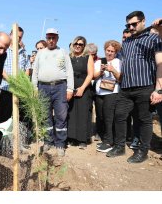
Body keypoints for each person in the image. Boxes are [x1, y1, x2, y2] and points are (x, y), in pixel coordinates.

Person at [106, 11, 162, 163]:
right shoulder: (127, 42)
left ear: (143, 21)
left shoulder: (154, 38)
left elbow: (160, 65)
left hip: (145, 87)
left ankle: (142, 152)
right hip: (126, 88)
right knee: (119, 116)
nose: (130, 27)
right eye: (128, 25)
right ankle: (119, 147)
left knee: (144, 120)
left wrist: (159, 89)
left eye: (134, 24)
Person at [32, 28, 74, 157]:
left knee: (61, 116)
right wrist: (34, 88)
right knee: (45, 116)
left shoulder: (63, 52)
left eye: (53, 38)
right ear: (46, 38)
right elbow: (35, 71)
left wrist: (70, 89)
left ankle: (60, 143)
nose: (51, 40)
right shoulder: (40, 53)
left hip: (60, 87)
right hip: (43, 87)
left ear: (57, 38)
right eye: (49, 38)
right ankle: (48, 141)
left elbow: (69, 71)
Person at [0, 26, 30, 147]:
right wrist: (12, 81)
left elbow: (27, 68)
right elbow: (0, 68)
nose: (18, 39)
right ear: (10, 34)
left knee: (17, 117)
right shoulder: (5, 50)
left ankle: (13, 142)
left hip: (18, 90)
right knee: (3, 116)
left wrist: (22, 81)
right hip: (5, 88)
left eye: (20, 37)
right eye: (16, 36)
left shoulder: (23, 52)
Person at [93, 40, 121, 153]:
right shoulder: (99, 61)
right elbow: (93, 76)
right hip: (99, 93)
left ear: (116, 52)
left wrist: (112, 70)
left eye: (112, 51)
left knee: (109, 117)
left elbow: (120, 78)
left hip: (112, 93)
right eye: (108, 50)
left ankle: (110, 141)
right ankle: (106, 139)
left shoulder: (118, 62)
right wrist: (100, 71)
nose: (109, 53)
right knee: (101, 116)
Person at [67, 36, 94, 150]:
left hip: (84, 87)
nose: (78, 45)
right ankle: (72, 137)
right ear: (73, 45)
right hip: (70, 87)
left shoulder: (88, 57)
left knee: (83, 113)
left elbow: (90, 74)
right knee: (71, 113)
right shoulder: (68, 57)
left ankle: (83, 139)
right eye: (76, 43)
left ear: (84, 46)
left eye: (81, 44)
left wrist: (82, 88)